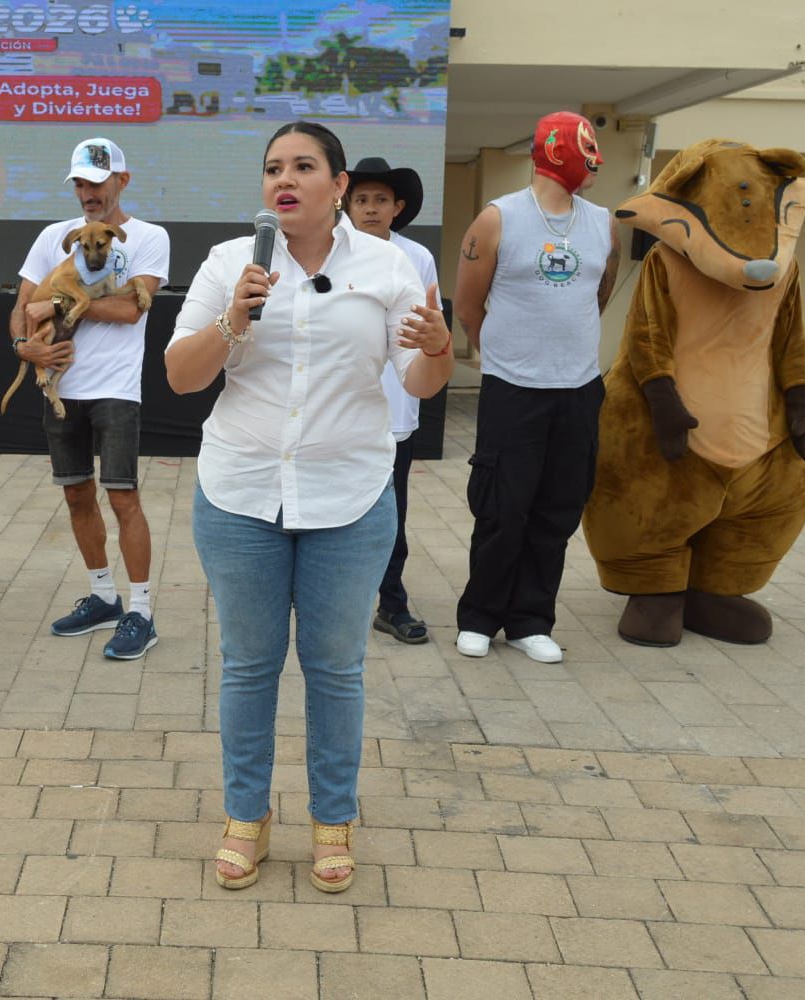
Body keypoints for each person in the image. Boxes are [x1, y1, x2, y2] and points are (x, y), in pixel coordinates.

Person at [166, 122, 454, 893]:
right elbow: (181, 377)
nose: (283, 180)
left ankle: (334, 821)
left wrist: (439, 348)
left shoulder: (387, 266)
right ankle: (245, 818)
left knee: (335, 671)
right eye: (271, 168)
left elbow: (419, 382)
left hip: (350, 497)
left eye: (302, 167)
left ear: (337, 183)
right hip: (240, 493)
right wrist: (233, 318)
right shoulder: (233, 262)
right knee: (249, 667)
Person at [451, 111, 620, 664]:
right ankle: (479, 617)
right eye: (587, 148)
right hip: (514, 388)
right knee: (503, 507)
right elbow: (469, 305)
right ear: (555, 150)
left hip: (578, 389)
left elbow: (599, 294)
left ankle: (530, 620)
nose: (596, 160)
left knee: (558, 509)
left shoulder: (603, 224)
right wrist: (495, 352)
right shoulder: (498, 219)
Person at [9, 137, 170, 660]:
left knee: (123, 497)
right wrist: (24, 346)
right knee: (76, 495)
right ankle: (103, 595)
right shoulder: (55, 236)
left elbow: (131, 310)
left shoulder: (148, 237)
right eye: (79, 183)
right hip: (61, 384)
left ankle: (141, 611)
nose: (87, 193)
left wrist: (59, 305)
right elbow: (22, 308)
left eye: (97, 183)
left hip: (116, 389)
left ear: (122, 181)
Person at [346, 156, 441, 645]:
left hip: (396, 408)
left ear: (397, 207)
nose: (370, 209)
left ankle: (391, 603)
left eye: (381, 200)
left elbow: (428, 331)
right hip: (342, 409)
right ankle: (337, 598)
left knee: (391, 512)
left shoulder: (416, 258)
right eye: (361, 200)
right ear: (346, 203)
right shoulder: (332, 254)